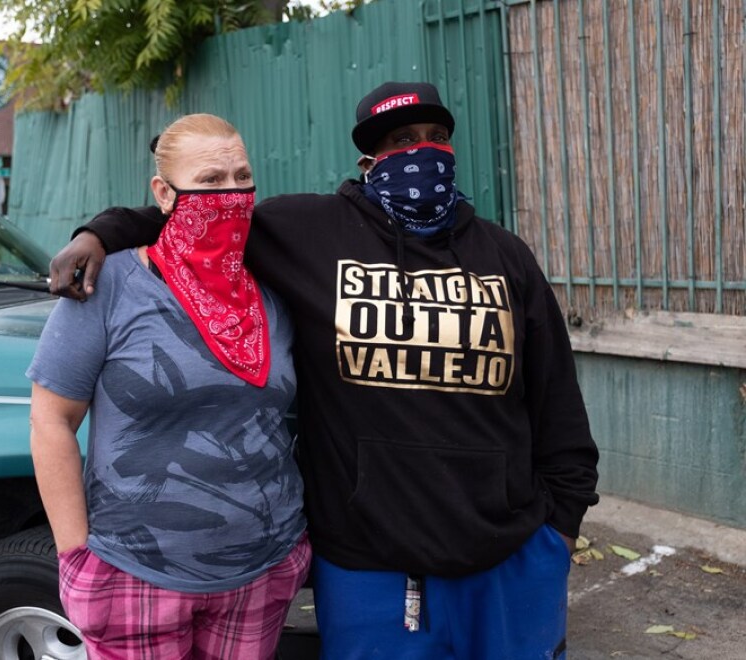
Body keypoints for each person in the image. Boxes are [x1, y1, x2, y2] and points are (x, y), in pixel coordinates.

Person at [50, 82, 600, 659]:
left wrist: (560, 531)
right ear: (369, 161)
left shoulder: (506, 255)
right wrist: (96, 234)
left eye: (437, 138)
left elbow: (555, 395)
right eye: (402, 140)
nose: (423, 151)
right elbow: (194, 211)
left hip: (510, 558)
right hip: (369, 565)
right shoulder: (309, 233)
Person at [27, 113, 310, 659]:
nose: (230, 193)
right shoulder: (107, 284)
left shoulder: (272, 279)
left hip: (263, 570)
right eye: (209, 180)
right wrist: (76, 557)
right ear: (163, 191)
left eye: (241, 176)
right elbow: (50, 420)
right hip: (136, 577)